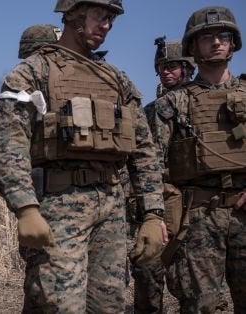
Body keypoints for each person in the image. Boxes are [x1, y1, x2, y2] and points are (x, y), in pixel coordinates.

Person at [0, 0, 166, 312]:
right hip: (58, 206)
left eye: (112, 18)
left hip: (111, 209)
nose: (107, 25)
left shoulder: (117, 79)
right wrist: (26, 208)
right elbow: (9, 147)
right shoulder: (32, 73)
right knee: (58, 305)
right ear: (73, 14)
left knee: (107, 306)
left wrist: (153, 214)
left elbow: (143, 151)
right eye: (101, 15)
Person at [151, 6, 246, 312]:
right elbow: (150, 164)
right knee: (200, 306)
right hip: (198, 217)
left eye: (223, 36)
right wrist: (158, 213)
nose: (216, 42)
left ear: (233, 43)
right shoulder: (173, 104)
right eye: (207, 37)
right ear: (193, 47)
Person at [128, 37, 195, 314]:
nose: (167, 71)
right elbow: (146, 158)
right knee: (148, 268)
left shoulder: (198, 102)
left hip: (195, 198)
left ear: (187, 68)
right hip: (162, 196)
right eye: (163, 67)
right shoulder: (154, 109)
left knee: (189, 276)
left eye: (174, 66)